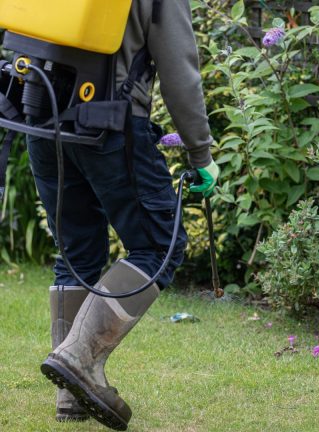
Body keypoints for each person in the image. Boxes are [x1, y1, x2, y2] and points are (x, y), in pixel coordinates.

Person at [31, 0, 219, 429]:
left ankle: (70, 395)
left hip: (40, 116)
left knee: (75, 253)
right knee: (159, 245)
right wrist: (200, 153)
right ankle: (77, 359)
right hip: (109, 123)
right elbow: (178, 67)